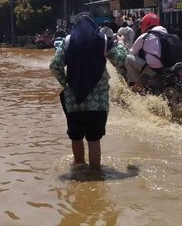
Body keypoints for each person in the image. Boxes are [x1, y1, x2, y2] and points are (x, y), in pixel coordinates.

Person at [49, 12, 128, 171]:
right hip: (97, 102)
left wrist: (66, 83)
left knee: (76, 137)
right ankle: (94, 176)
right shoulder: (103, 40)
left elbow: (55, 65)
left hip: (74, 101)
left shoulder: (68, 41)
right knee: (94, 140)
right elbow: (120, 60)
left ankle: (78, 172)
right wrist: (120, 43)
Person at [124, 12, 166, 93]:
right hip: (167, 68)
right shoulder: (167, 34)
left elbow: (132, 53)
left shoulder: (145, 37)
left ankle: (139, 86)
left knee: (128, 59)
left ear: (146, 23)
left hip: (154, 70)